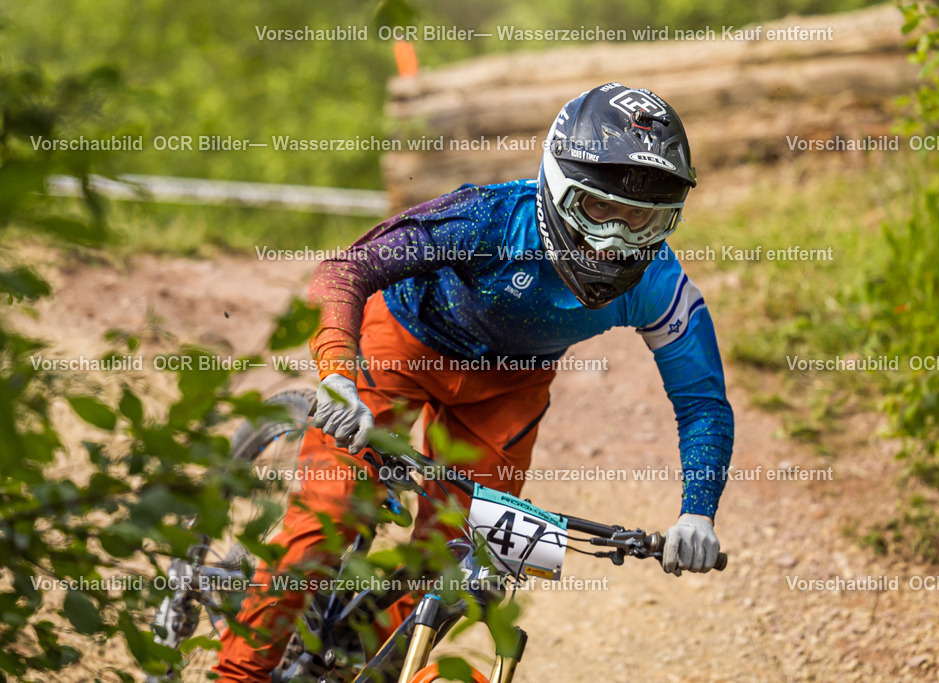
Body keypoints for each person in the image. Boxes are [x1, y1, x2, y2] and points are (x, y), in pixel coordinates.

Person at [213, 82, 734, 682]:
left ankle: (359, 663)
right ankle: (235, 675)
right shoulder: (488, 220)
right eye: (600, 209)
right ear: (561, 191)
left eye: (641, 218)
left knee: (460, 564)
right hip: (402, 346)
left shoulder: (660, 285)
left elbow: (703, 406)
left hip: (508, 388)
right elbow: (345, 269)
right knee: (323, 524)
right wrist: (336, 375)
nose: (617, 239)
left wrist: (698, 513)